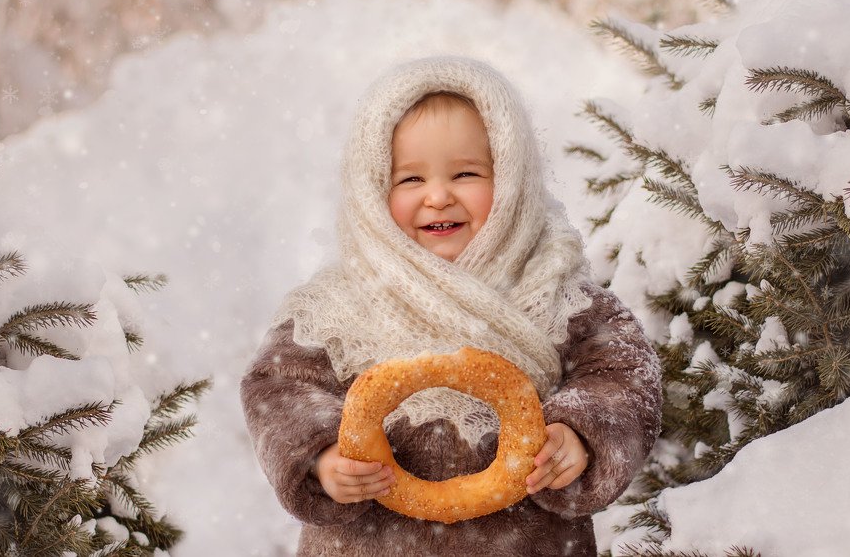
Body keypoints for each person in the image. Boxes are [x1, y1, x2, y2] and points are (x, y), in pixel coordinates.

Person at [240, 55, 662, 556]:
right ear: (372, 191)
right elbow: (278, 388)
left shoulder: (559, 292)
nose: (438, 197)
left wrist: (580, 433)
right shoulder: (336, 306)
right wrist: (321, 456)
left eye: (465, 173)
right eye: (411, 180)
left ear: (512, 182)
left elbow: (625, 374)